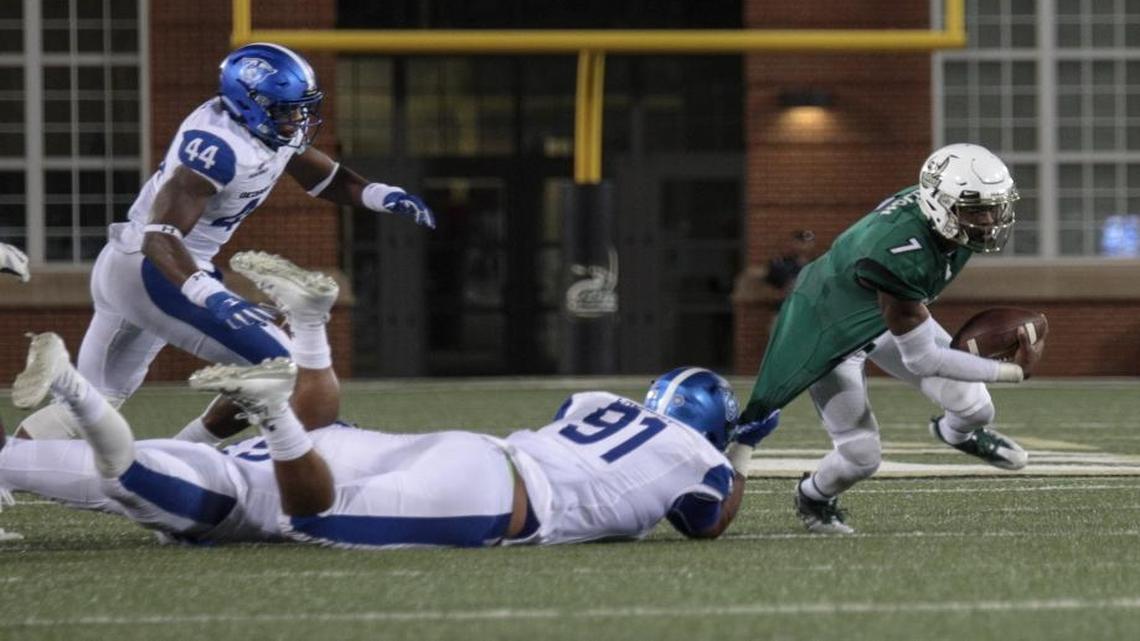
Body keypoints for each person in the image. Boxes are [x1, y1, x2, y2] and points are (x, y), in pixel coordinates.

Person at [0, 252, 757, 549]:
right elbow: (708, 521)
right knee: (301, 511)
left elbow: (577, 407)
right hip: (492, 493)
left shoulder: (599, 402)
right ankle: (278, 394)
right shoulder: (700, 455)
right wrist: (741, 449)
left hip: (473, 449)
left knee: (193, 486)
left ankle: (293, 354)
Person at [14, 42, 435, 444]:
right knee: (291, 368)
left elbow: (322, 177)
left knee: (87, 405)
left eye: (300, 110)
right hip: (153, 270)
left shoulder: (265, 131)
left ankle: (7, 471)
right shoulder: (219, 148)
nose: (297, 121)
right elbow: (159, 236)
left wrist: (381, 195)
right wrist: (209, 294)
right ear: (250, 102)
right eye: (286, 111)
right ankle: (194, 452)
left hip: (141, 265)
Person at [726, 143, 1046, 534]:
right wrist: (1012, 371)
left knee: (977, 408)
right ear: (939, 206)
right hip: (832, 331)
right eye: (977, 209)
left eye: (996, 206)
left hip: (882, 311)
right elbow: (922, 360)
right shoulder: (897, 254)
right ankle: (813, 496)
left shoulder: (938, 215)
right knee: (861, 456)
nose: (991, 219)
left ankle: (954, 433)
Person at [764, 230, 816, 299]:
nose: (806, 245)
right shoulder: (781, 264)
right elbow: (770, 286)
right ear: (794, 243)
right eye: (801, 242)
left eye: (810, 242)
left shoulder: (817, 264)